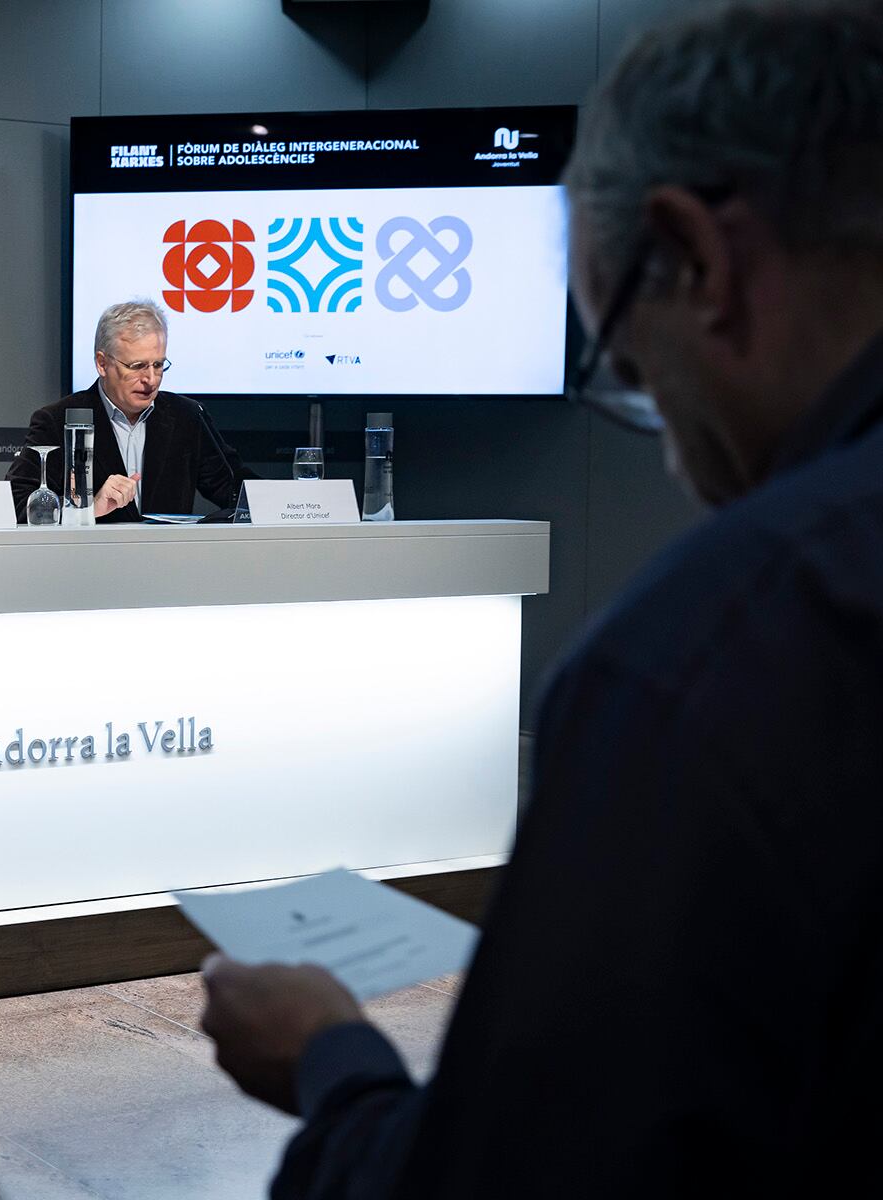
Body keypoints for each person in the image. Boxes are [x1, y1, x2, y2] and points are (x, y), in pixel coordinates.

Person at [199, 3, 883, 1196]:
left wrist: (335, 1063)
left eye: (622, 359)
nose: (666, 441)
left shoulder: (723, 650)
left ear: (700, 263)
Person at [6, 298, 249, 522]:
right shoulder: (57, 420)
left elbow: (238, 492)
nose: (151, 379)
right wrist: (88, 508)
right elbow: (15, 504)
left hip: (168, 563)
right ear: (102, 363)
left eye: (158, 365)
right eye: (137, 366)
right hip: (88, 563)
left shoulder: (187, 416)